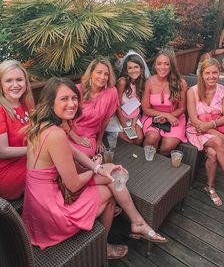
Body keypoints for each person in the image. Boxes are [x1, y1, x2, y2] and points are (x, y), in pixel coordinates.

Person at [22, 77, 167, 258]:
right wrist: (97, 168)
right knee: (110, 192)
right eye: (64, 99)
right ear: (51, 103)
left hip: (37, 202)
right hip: (50, 212)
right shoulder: (56, 134)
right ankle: (103, 248)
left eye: (74, 98)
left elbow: (74, 152)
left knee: (111, 173)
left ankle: (136, 221)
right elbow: (73, 184)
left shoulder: (43, 124)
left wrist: (99, 168)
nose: (72, 103)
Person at [186, 58, 224, 207]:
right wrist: (218, 134)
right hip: (196, 129)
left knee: (213, 154)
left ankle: (210, 187)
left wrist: (212, 126)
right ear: (201, 74)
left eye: (215, 72)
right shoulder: (192, 91)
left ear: (219, 73)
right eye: (207, 73)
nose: (211, 76)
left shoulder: (223, 90)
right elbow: (194, 120)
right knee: (218, 142)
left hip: (213, 128)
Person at [69, 58, 119, 157]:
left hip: (89, 135)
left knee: (85, 158)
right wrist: (76, 138)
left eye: (106, 74)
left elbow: (106, 119)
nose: (102, 77)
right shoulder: (77, 90)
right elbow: (63, 119)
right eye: (99, 72)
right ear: (91, 73)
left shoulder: (111, 92)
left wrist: (99, 139)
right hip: (69, 132)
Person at [141, 48, 187, 156]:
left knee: (168, 146)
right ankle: (147, 162)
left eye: (166, 64)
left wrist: (169, 117)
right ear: (155, 66)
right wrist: (165, 115)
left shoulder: (181, 83)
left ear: (171, 66)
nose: (162, 67)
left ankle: (160, 166)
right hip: (152, 117)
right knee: (152, 138)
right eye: (159, 64)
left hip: (175, 117)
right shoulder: (149, 82)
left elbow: (181, 108)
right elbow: (146, 109)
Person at [0, 60, 35, 200]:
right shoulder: (1, 110)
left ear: (26, 82)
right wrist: (36, 149)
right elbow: (2, 151)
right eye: (8, 81)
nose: (15, 85)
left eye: (19, 79)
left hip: (28, 161)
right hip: (8, 172)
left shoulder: (27, 104)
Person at [106, 54, 145, 145]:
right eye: (130, 68)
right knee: (129, 141)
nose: (133, 70)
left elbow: (137, 106)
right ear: (126, 70)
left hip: (132, 117)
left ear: (141, 68)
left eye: (136, 67)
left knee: (139, 139)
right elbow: (117, 107)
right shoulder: (122, 82)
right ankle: (112, 135)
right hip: (118, 118)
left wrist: (133, 125)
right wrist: (125, 127)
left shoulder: (141, 83)